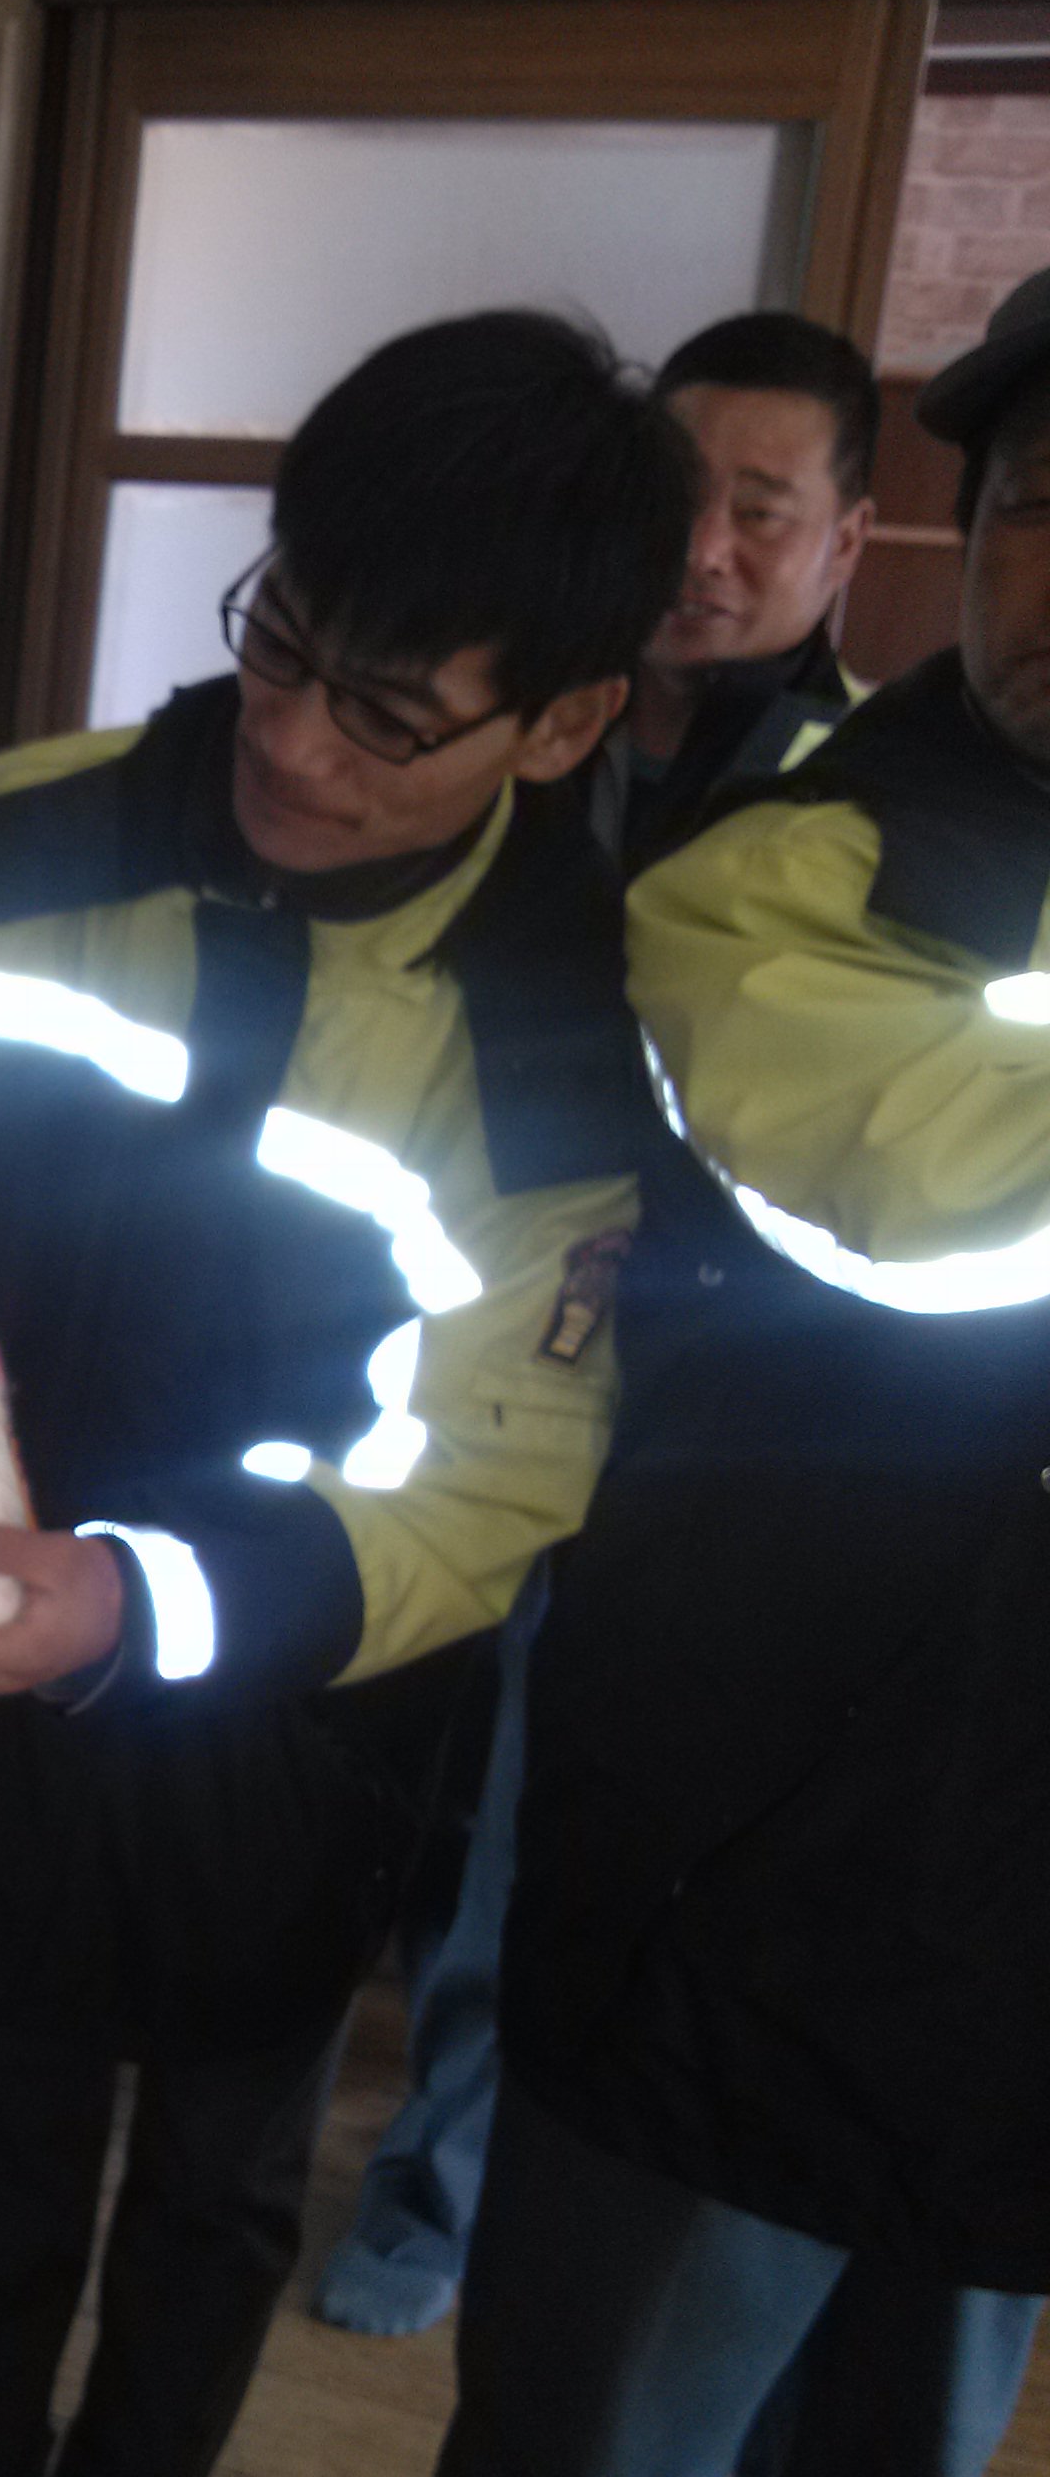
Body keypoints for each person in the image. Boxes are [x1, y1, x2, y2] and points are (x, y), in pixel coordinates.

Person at [0, 312, 693, 2477]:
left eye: (392, 710)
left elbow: (502, 1464)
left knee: (224, 2166)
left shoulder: (558, 1030)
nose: (295, 740)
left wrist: (139, 1600)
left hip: (303, 1699)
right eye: (283, 640)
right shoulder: (26, 834)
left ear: (566, 723)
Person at [370, 274, 1050, 2477]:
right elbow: (920, 1180)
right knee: (612, 2434)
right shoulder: (794, 861)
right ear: (958, 548)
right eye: (1041, 516)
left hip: (1030, 1857)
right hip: (753, 1803)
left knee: (911, 2446)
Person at [316, 309, 880, 2341]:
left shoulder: (872, 792)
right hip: (432, 1326)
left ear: (846, 541)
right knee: (385, 1720)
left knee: (532, 1804)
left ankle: (438, 2187)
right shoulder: (518, 709)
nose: (706, 552)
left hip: (695, 1407)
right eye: (682, 496)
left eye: (764, 511)